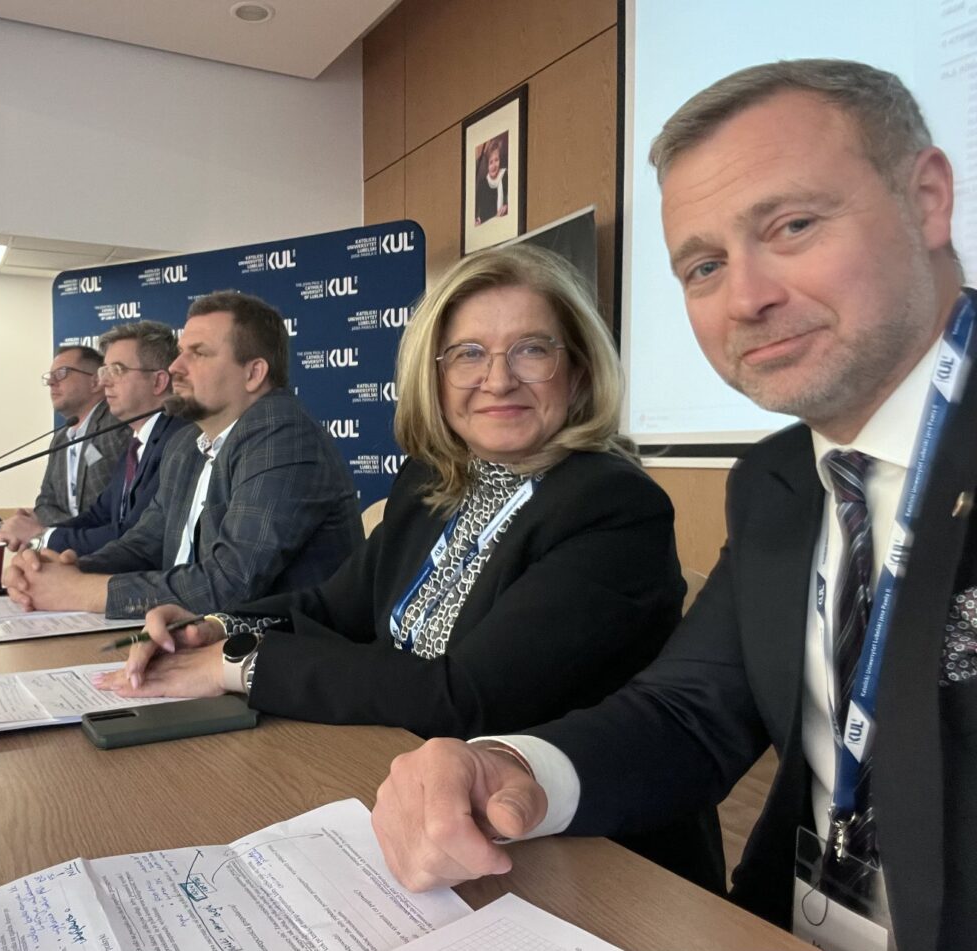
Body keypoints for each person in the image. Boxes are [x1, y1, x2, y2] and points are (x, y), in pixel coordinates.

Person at [370, 60, 977, 951]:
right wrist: (508, 766)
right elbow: (690, 712)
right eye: (704, 265)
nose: (748, 298)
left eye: (794, 226)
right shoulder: (775, 480)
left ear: (927, 200)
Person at [97, 246, 723, 890]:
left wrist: (240, 665)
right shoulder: (433, 480)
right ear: (436, 376)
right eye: (469, 354)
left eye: (532, 350)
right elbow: (333, 607)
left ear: (580, 372)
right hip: (411, 795)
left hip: (587, 861)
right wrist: (214, 627)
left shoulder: (613, 506)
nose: (498, 379)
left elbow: (466, 698)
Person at [4, 291, 362, 619]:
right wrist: (62, 570)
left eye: (199, 353)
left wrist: (79, 590)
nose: (176, 366)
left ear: (253, 373)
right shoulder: (186, 443)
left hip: (278, 652)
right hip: (191, 636)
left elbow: (228, 583)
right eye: (180, 351)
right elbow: (144, 544)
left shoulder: (283, 434)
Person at [0, 321, 189, 556]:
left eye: (117, 370)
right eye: (104, 371)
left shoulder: (178, 442)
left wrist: (42, 537)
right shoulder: (137, 443)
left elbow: (134, 535)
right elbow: (99, 516)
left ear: (158, 381)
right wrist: (40, 534)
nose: (105, 381)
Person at [0, 346, 130, 542]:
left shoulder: (118, 425)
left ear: (95, 381)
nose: (51, 382)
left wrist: (51, 531)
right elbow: (44, 504)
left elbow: (119, 510)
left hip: (110, 547)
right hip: (67, 546)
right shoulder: (60, 439)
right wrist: (61, 532)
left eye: (62, 373)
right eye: (50, 376)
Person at [475, 139, 508, 225]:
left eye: (496, 160)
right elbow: (479, 213)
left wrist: (507, 206)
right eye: (491, 162)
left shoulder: (505, 175)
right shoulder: (482, 185)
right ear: (487, 165)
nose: (494, 165)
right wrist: (478, 220)